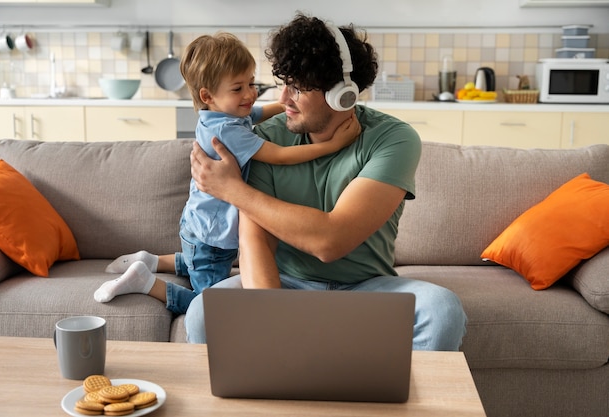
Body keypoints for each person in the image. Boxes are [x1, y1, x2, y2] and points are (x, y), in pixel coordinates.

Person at [185, 13, 467, 351]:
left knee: (442, 310)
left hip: (367, 288)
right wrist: (277, 321)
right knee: (203, 310)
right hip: (284, 285)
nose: (283, 99)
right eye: (283, 83)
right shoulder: (264, 140)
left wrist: (234, 191)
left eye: (298, 88)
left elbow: (330, 241)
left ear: (341, 94)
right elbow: (254, 245)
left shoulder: (393, 139)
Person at [93, 32, 360, 314]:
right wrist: (333, 145)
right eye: (238, 88)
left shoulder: (224, 113)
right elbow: (279, 156)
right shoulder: (226, 130)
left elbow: (260, 111)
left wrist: (294, 101)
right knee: (209, 304)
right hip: (211, 231)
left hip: (203, 227)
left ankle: (151, 260)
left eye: (251, 83)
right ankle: (145, 282)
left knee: (201, 258)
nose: (249, 94)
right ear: (208, 95)